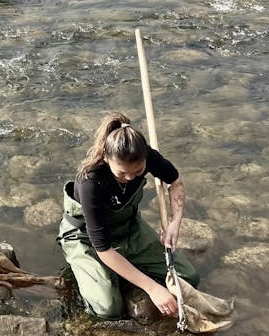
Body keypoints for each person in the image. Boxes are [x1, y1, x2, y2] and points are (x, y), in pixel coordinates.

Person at [58, 112, 199, 319]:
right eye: (122, 173)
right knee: (108, 309)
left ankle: (123, 272)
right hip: (86, 238)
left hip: (128, 227)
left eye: (138, 170)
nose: (130, 177)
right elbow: (104, 250)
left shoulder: (147, 156)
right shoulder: (90, 182)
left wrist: (174, 223)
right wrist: (152, 289)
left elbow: (175, 182)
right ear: (106, 158)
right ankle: (85, 270)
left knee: (188, 278)